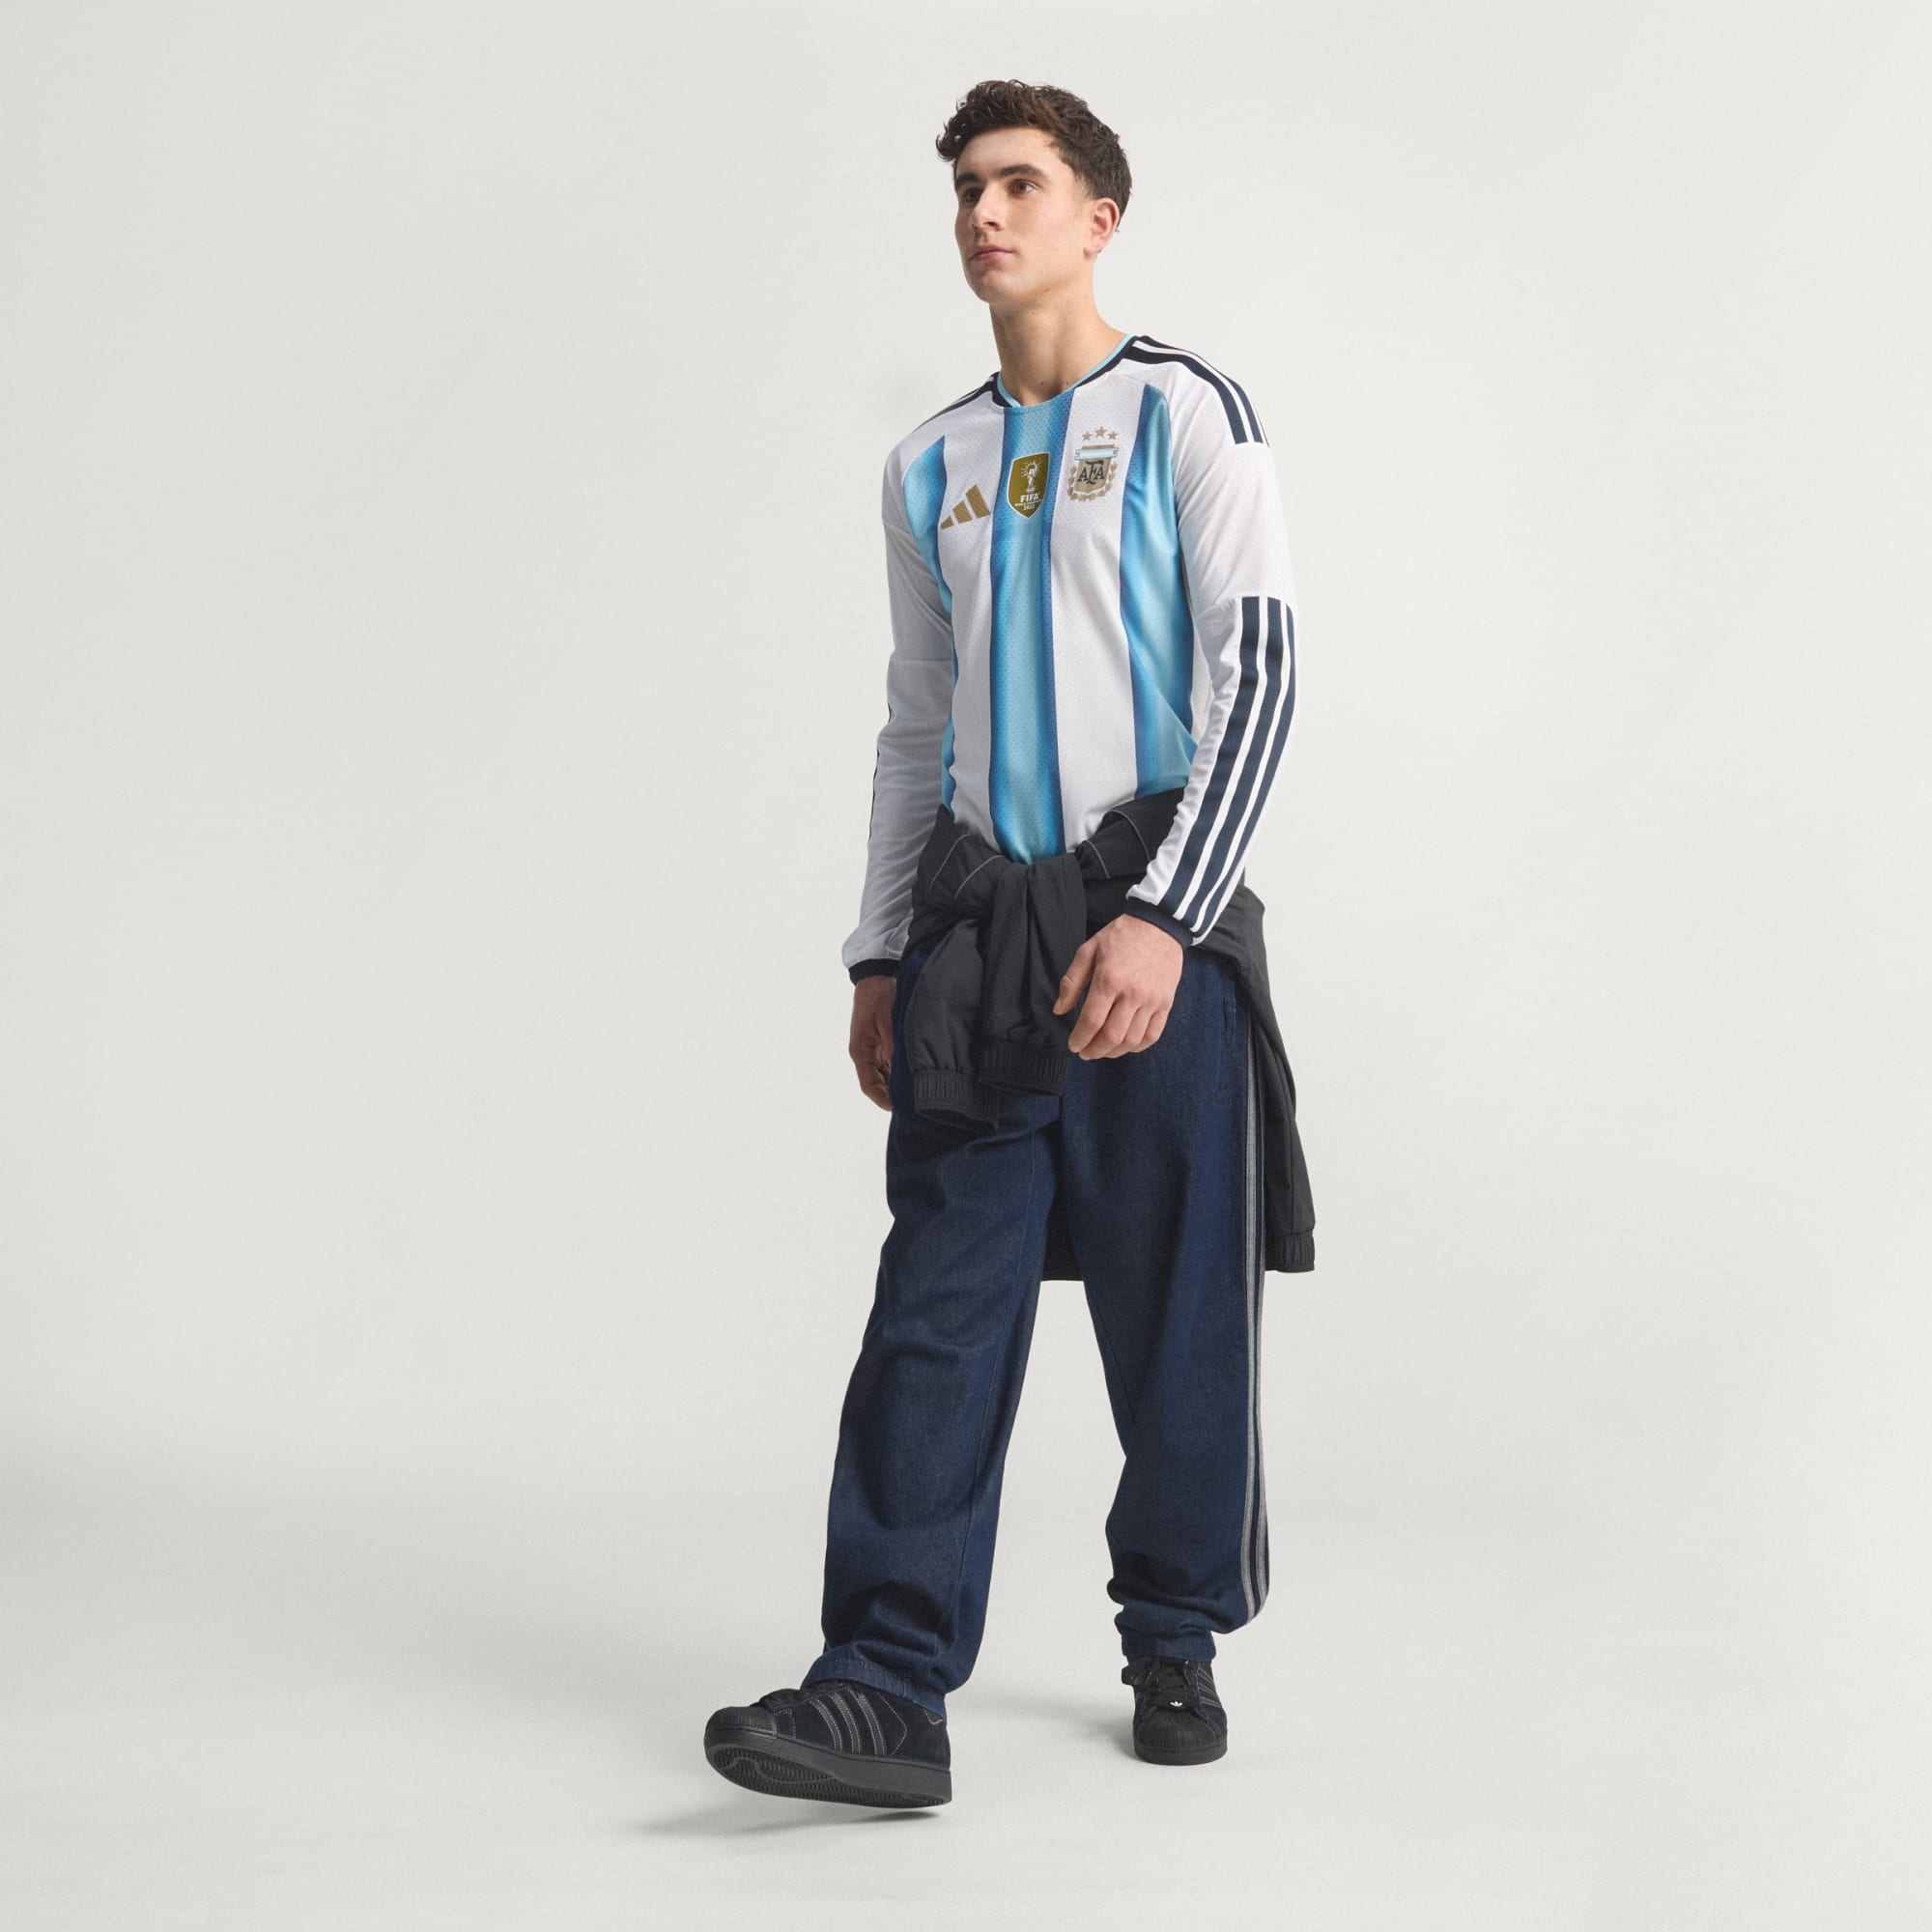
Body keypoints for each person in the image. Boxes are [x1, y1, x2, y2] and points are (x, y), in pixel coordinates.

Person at [703, 77, 1312, 1810]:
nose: (984, 212)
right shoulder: (930, 464)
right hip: (975, 928)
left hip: (1147, 904)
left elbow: (1261, 675)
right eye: (968, 187)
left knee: (1174, 1303)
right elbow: (918, 723)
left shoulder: (1188, 410)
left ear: (1098, 217)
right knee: (935, 1306)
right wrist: (880, 952)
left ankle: (1174, 1630)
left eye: (1020, 184)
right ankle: (884, 1687)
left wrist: (1167, 920)